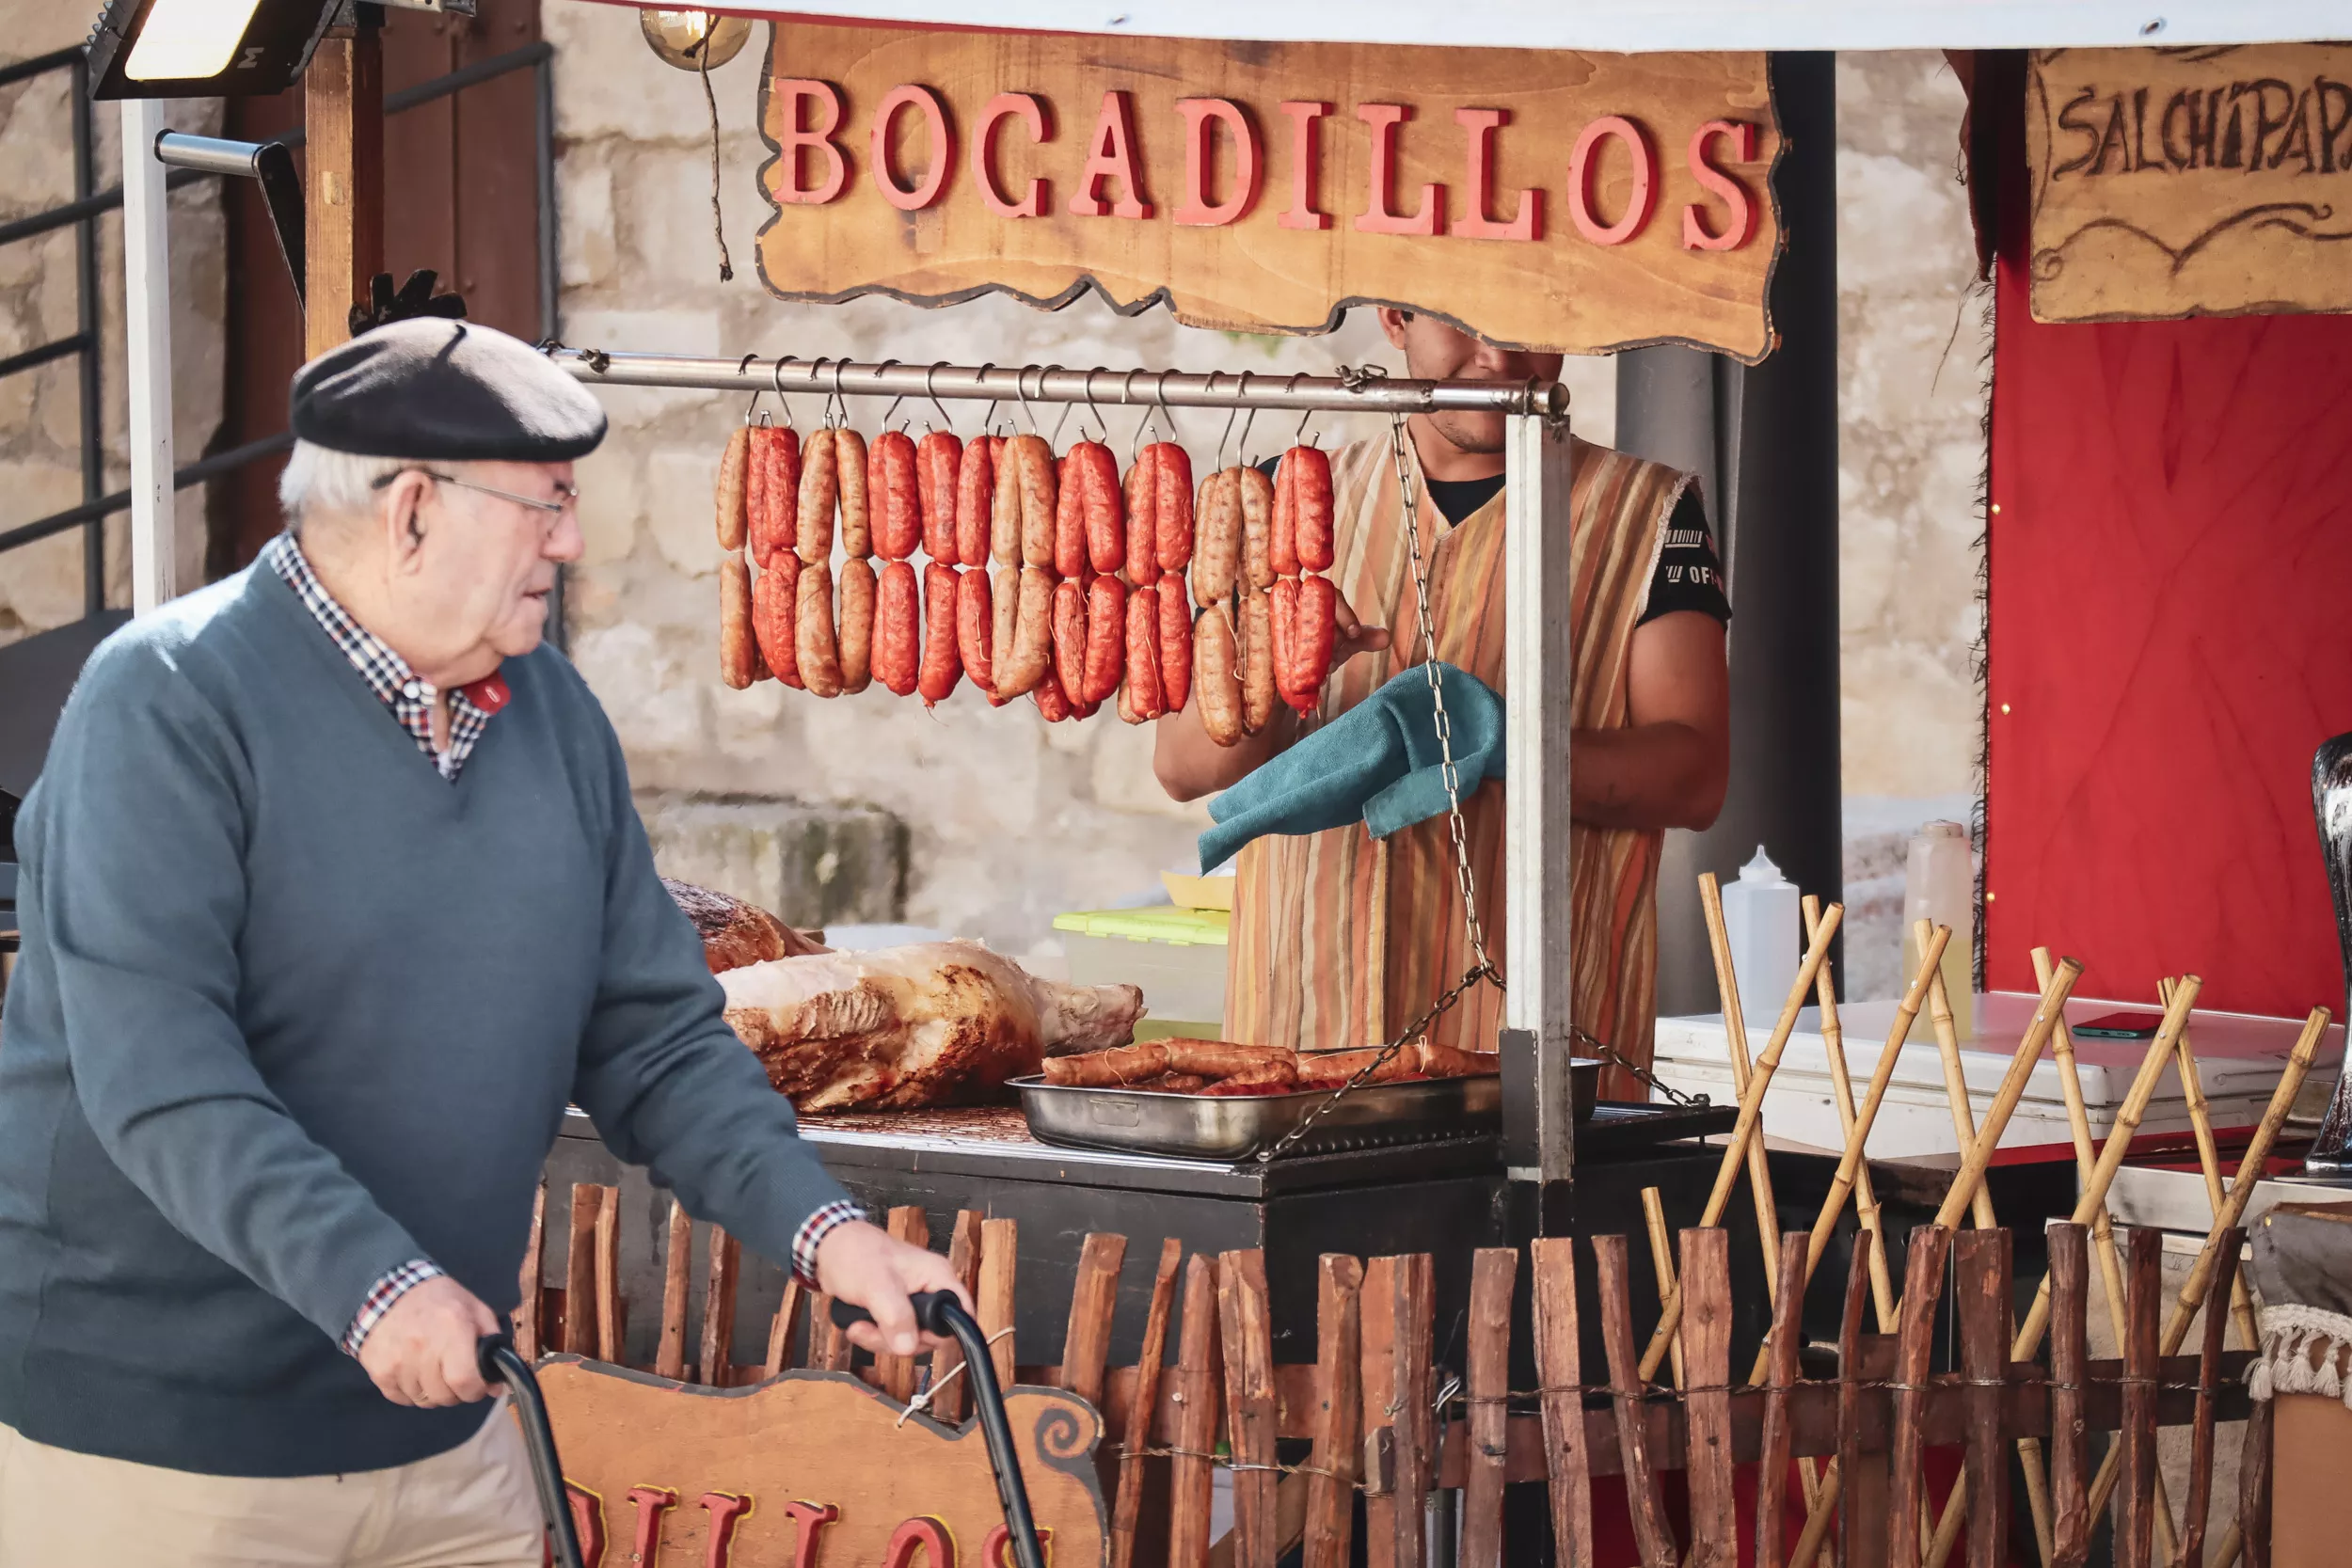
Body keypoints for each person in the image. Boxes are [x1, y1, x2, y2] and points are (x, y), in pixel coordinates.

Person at [0, 319, 960, 1565]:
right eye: (545, 503)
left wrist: (828, 1231)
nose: (568, 538)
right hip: (161, 1458)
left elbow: (653, 1035)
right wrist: (375, 1284)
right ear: (411, 509)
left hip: (448, 1436)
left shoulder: (550, 712)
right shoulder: (170, 699)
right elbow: (161, 1071)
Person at [1155, 310, 1731, 1093]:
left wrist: (1509, 745)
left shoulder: (1648, 513)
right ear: (1394, 319)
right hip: (1298, 1029)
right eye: (1463, 323)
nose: (1498, 355)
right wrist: (1285, 673)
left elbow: (1696, 777)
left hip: (1537, 1051)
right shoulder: (1280, 500)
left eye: (1527, 318)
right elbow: (1185, 765)